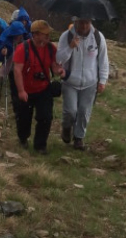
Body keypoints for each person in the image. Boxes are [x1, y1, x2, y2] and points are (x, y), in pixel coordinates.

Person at [13, 20, 65, 154]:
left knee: (46, 117)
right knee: (24, 118)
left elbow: (53, 65)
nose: (48, 36)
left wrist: (59, 70)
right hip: (26, 90)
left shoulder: (50, 48)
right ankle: (23, 138)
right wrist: (21, 91)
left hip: (43, 89)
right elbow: (17, 70)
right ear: (35, 34)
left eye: (48, 34)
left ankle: (40, 146)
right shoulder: (22, 49)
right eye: (44, 34)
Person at [56, 18, 109, 150]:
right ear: (76, 22)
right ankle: (67, 127)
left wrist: (102, 80)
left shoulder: (98, 37)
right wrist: (70, 47)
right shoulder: (66, 36)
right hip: (70, 81)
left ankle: (79, 138)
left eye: (87, 22)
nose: (84, 26)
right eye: (82, 22)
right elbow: (58, 59)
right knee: (71, 111)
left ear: (91, 22)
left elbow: (103, 60)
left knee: (84, 111)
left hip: (90, 82)